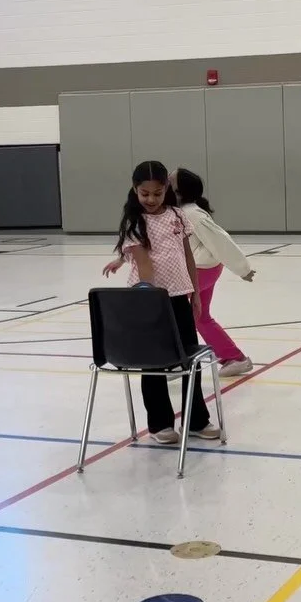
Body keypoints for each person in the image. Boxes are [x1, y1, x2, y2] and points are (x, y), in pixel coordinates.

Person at [103, 160, 220, 444]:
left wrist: (193, 294)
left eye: (157, 193)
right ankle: (159, 424)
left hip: (180, 296)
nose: (151, 199)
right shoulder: (136, 222)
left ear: (166, 189)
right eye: (145, 194)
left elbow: (188, 256)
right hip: (148, 301)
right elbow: (144, 267)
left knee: (187, 360)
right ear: (135, 190)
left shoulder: (179, 216)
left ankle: (196, 421)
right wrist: (151, 301)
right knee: (153, 363)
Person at [170, 168, 255, 377]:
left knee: (175, 315)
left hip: (199, 271)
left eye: (170, 180)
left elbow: (220, 240)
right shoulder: (183, 211)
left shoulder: (191, 214)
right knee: (201, 317)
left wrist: (242, 268)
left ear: (178, 190)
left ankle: (178, 362)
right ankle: (234, 358)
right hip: (203, 269)